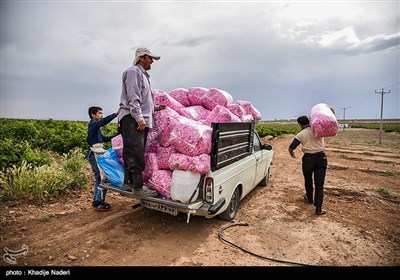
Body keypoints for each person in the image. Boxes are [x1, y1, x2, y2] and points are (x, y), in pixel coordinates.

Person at [118, 47, 166, 197]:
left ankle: (128, 184)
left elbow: (145, 101)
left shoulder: (144, 75)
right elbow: (133, 98)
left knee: (133, 150)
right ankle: (138, 188)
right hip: (132, 119)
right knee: (135, 152)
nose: (152, 61)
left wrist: (157, 108)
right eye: (150, 58)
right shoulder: (134, 72)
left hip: (137, 118)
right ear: (141, 58)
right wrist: (139, 119)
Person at [288, 115, 328, 215]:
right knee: (319, 184)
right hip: (321, 157)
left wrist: (292, 153)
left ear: (300, 124)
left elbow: (291, 147)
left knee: (308, 179)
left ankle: (310, 199)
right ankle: (318, 209)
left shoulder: (301, 134)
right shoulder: (318, 130)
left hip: (308, 159)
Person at [86, 106, 119, 211]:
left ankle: (97, 200)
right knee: (99, 178)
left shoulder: (96, 128)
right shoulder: (93, 124)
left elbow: (104, 138)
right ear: (93, 115)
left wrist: (116, 136)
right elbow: (103, 122)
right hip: (93, 153)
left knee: (100, 177)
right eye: (99, 113)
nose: (101, 115)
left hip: (97, 152)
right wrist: (115, 114)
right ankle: (98, 202)